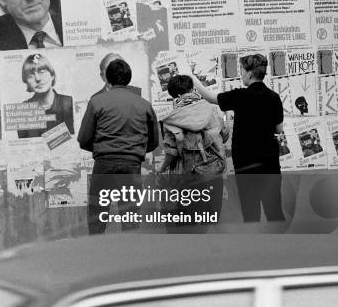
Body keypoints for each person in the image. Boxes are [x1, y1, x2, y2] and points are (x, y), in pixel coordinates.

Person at [192, 54, 285, 223]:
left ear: (249, 74)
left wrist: (192, 78)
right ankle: (280, 248)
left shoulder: (240, 95)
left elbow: (211, 98)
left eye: (242, 70)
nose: (240, 73)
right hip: (270, 163)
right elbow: (279, 129)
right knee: (274, 211)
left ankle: (252, 248)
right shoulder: (274, 97)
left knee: (250, 212)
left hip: (246, 163)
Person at [78, 59, 159, 234]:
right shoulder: (144, 105)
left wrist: (104, 150)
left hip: (104, 165)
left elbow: (84, 139)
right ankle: (128, 259)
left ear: (107, 78)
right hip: (132, 166)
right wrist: (134, 152)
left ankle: (97, 258)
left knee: (97, 219)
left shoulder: (96, 102)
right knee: (130, 220)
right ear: (128, 78)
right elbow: (153, 142)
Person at [156, 75, 229, 233]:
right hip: (213, 175)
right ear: (192, 89)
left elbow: (171, 153)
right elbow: (224, 135)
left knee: (187, 227)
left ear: (173, 96)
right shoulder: (213, 109)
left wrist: (161, 169)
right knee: (207, 224)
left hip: (187, 179)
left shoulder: (170, 119)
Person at [17, 54, 73, 138]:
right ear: (26, 82)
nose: (37, 78)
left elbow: (73, 141)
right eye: (30, 76)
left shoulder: (69, 103)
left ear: (52, 76)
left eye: (41, 72)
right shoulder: (22, 109)